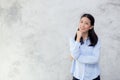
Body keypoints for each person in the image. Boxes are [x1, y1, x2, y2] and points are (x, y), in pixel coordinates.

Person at [69, 13, 101, 80]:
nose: (82, 25)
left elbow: (95, 59)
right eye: (81, 22)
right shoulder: (73, 40)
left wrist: (78, 57)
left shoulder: (96, 40)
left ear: (91, 27)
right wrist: (78, 39)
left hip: (93, 76)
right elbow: (74, 56)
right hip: (77, 76)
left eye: (86, 23)